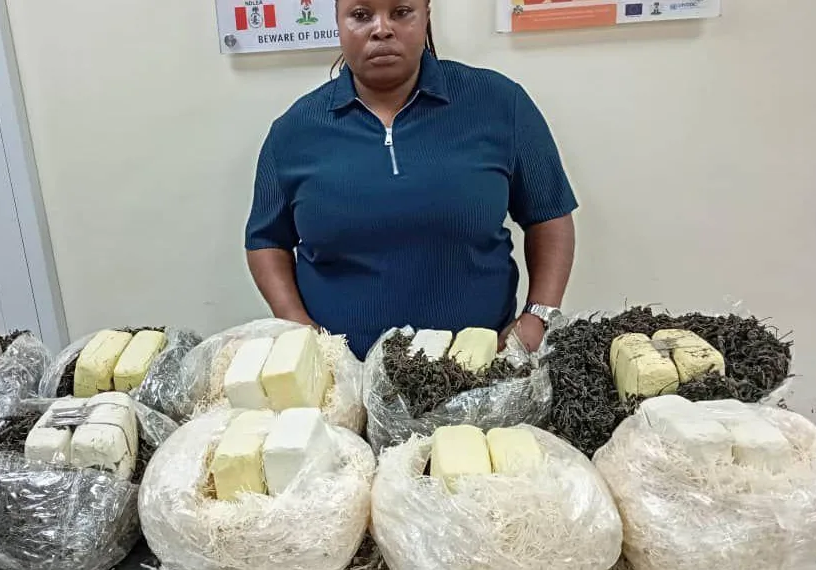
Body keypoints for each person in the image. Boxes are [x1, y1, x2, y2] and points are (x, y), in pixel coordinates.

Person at [245, 0, 577, 360]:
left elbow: (549, 215)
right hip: (343, 373)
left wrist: (538, 316)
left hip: (480, 369)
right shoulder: (294, 131)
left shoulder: (499, 104)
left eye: (401, 12)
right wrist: (299, 328)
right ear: (338, 23)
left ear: (426, 17)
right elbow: (267, 241)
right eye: (361, 15)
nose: (381, 29)